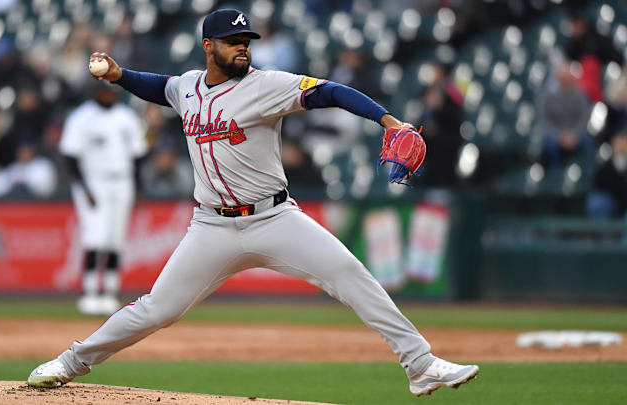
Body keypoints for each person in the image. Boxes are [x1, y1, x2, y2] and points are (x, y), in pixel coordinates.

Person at [29, 9, 478, 397]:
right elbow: (157, 86)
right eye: (233, 42)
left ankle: (420, 365)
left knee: (349, 273)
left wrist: (386, 119)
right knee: (155, 310)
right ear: (209, 46)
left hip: (274, 218)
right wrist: (118, 74)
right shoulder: (186, 87)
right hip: (211, 229)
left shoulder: (268, 86)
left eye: (246, 41)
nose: (243, 48)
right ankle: (70, 362)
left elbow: (330, 91)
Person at [59, 81, 148, 316]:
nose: (108, 95)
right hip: (93, 181)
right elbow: (70, 157)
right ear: (95, 92)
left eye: (111, 92)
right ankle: (89, 292)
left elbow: (138, 156)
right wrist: (84, 188)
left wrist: (137, 187)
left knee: (115, 237)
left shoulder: (126, 117)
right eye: (104, 91)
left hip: (122, 180)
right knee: (95, 236)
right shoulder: (81, 117)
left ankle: (109, 291)